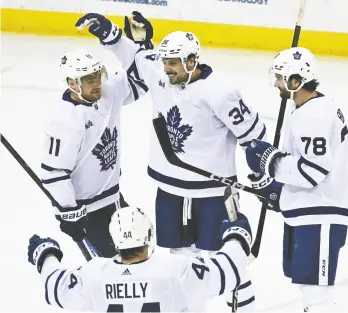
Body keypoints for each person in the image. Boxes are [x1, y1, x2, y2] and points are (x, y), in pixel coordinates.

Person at [75, 12, 266, 260]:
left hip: (212, 191)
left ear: (191, 61)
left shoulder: (221, 90)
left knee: (218, 257)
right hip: (169, 188)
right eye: (165, 62)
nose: (166, 68)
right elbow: (135, 56)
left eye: (173, 63)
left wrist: (264, 175)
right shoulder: (160, 73)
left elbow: (253, 136)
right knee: (177, 258)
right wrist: (109, 33)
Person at [245, 47, 348, 312]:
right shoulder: (311, 107)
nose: (276, 83)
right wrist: (282, 192)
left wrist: (270, 162)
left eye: (280, 78)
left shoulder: (313, 116)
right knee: (311, 289)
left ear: (295, 81)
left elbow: (312, 171)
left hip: (322, 210)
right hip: (314, 207)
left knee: (317, 293)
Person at [28, 206, 256, 312]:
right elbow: (228, 270)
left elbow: (55, 287)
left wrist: (45, 253)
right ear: (148, 236)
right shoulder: (176, 270)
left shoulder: (93, 274)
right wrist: (237, 235)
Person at [40, 48, 148, 257]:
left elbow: (141, 80)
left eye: (98, 75)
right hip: (88, 211)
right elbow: (53, 173)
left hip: (114, 198)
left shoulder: (107, 92)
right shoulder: (65, 122)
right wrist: (70, 211)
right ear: (73, 84)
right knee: (111, 269)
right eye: (89, 80)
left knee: (135, 259)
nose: (97, 83)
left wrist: (140, 45)